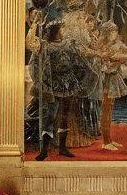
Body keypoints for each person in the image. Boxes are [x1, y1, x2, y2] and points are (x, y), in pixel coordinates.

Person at [29, 19, 94, 161]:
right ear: (55, 31)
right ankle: (44, 150)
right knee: (49, 117)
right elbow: (36, 64)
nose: (63, 31)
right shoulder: (46, 46)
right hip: (52, 85)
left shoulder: (68, 44)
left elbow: (77, 60)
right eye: (61, 29)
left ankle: (62, 148)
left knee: (64, 115)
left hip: (69, 83)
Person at [92, 21, 127, 151]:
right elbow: (109, 66)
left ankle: (109, 140)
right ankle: (106, 142)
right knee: (106, 110)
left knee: (109, 109)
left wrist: (122, 58)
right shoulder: (103, 47)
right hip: (106, 80)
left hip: (111, 79)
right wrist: (123, 60)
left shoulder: (109, 46)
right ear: (108, 33)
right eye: (114, 32)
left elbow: (118, 57)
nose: (116, 34)